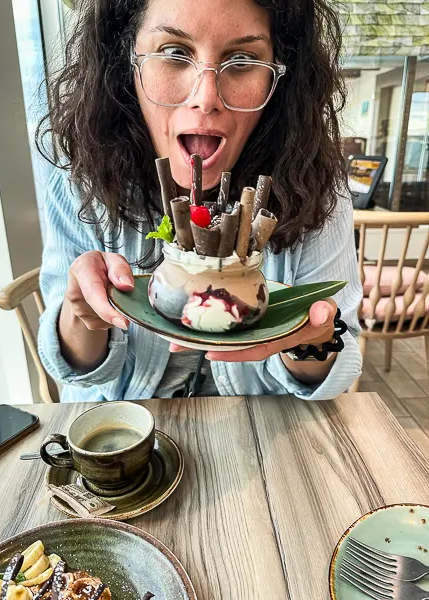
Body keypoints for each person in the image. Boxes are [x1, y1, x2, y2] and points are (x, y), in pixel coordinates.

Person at [37, 0, 363, 402]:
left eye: (243, 59)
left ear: (281, 78)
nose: (206, 97)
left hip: (263, 435)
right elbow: (77, 372)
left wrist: (309, 339)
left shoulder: (316, 186)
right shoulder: (80, 177)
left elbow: (332, 372)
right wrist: (83, 310)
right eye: (174, 53)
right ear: (126, 62)